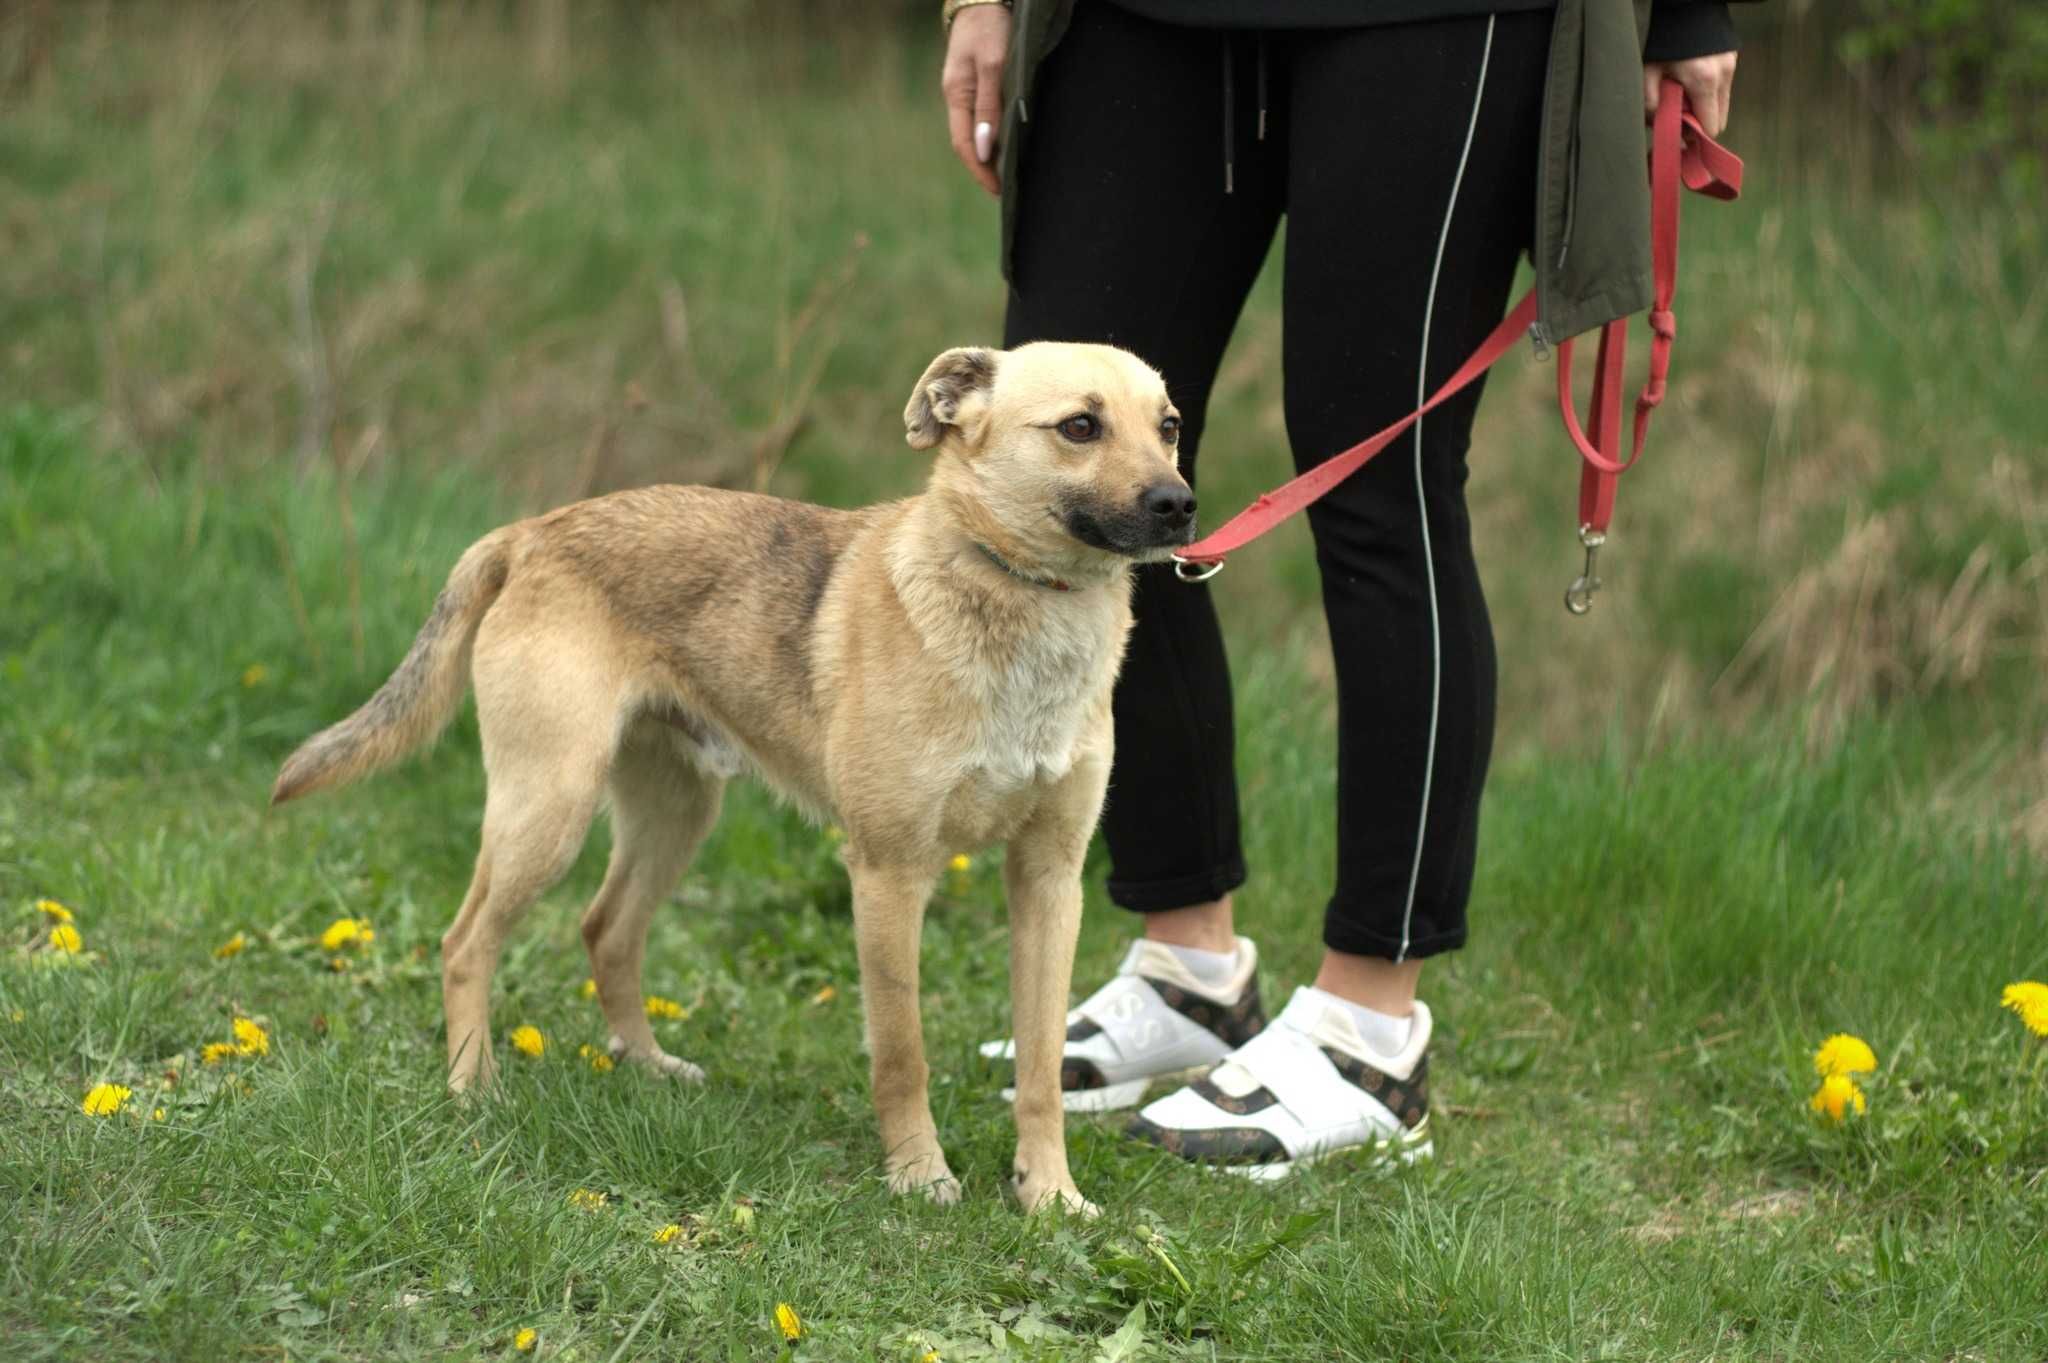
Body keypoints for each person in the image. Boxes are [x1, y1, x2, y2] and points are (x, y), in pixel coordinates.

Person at [945, 0, 1746, 1176]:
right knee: (1089, 477)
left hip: (1430, 19)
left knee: (1381, 487)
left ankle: (1371, 1027)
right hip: (1134, 20)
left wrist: (1683, 11)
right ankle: (1188, 967)